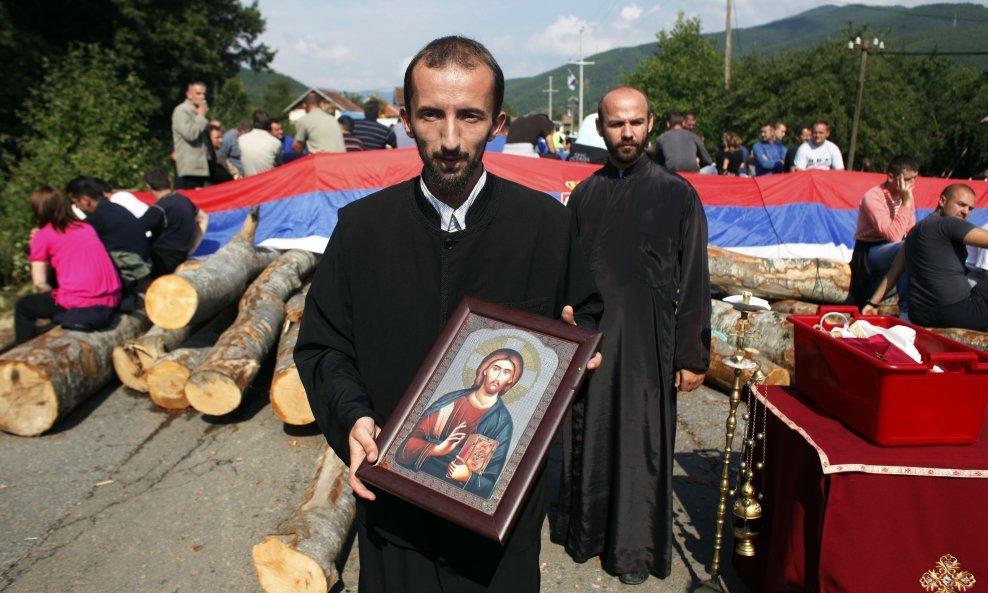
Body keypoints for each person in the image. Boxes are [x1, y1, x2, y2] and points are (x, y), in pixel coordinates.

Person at [294, 36, 602, 593]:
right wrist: (354, 418)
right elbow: (323, 347)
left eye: (471, 116)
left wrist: (578, 358)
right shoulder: (361, 231)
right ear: (406, 117)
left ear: (498, 121)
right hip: (395, 515)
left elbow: (584, 324)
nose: (452, 140)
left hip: (496, 530)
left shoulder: (546, 229)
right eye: (432, 115)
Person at [552, 86, 711, 586]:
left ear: (649, 124)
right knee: (591, 437)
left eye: (636, 123)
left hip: (649, 344)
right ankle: (588, 536)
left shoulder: (677, 193)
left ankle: (635, 551)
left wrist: (692, 354)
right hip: (595, 344)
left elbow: (696, 279)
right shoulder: (585, 195)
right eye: (617, 124)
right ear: (600, 128)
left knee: (641, 445)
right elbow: (567, 273)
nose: (627, 133)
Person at [396, 349, 523, 499]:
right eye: (495, 369)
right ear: (485, 370)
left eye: (506, 372)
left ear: (510, 380)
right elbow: (405, 447)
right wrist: (437, 449)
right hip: (416, 480)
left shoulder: (501, 422)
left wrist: (468, 477)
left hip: (452, 494)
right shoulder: (451, 401)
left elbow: (491, 485)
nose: (498, 376)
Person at [864, 184, 988, 330]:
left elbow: (894, 271)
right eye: (961, 205)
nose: (965, 212)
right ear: (942, 201)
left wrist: (872, 303)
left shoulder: (915, 230)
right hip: (958, 313)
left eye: (970, 208)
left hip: (920, 315)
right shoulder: (950, 223)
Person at [15, 187, 121, 344]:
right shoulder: (85, 228)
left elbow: (39, 282)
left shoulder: (43, 235)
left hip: (82, 300)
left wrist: (52, 295)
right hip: (112, 297)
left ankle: (21, 350)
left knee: (23, 306)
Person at [847, 155, 919, 309]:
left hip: (894, 248)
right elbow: (893, 236)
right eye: (907, 180)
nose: (911, 184)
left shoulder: (907, 195)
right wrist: (906, 202)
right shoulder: (873, 197)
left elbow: (910, 231)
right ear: (892, 177)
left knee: (916, 247)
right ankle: (905, 309)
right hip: (869, 251)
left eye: (914, 179)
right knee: (906, 248)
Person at [65, 177, 152, 293]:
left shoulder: (98, 218)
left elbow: (70, 240)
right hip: (144, 263)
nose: (76, 207)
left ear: (85, 200)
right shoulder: (115, 208)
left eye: (75, 202)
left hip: (131, 272)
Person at [141, 167, 209, 276]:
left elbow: (135, 230)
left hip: (161, 262)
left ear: (148, 186)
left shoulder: (159, 208)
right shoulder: (184, 201)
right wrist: (192, 248)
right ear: (169, 180)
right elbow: (204, 218)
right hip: (182, 256)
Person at [171, 82, 210, 189]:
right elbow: (190, 134)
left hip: (200, 167)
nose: (202, 97)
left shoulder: (198, 111)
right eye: (198, 93)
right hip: (188, 168)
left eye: (204, 94)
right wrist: (201, 116)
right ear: (189, 94)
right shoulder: (181, 110)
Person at [239, 110, 282, 176]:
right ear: (269, 124)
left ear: (252, 122)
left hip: (248, 182)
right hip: (269, 182)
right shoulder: (276, 143)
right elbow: (279, 165)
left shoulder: (241, 139)